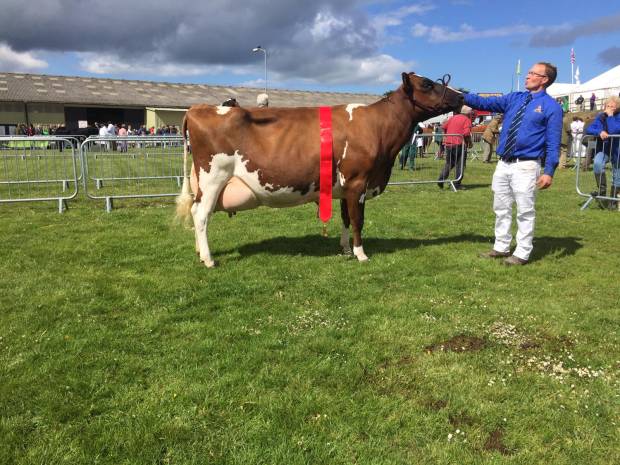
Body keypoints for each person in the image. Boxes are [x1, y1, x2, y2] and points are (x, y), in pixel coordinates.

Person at [464, 62, 562, 265]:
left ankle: (522, 253)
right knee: (501, 207)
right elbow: (485, 104)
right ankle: (501, 247)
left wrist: (549, 171)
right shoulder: (514, 98)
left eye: (532, 73)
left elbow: (553, 142)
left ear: (544, 79)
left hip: (526, 165)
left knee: (525, 210)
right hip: (503, 163)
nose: (527, 76)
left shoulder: (551, 107)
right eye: (528, 72)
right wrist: (458, 95)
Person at [585, 96, 620, 209]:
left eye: (612, 107)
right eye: (608, 106)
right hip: (604, 149)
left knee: (617, 175)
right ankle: (602, 193)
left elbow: (614, 130)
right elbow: (589, 129)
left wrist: (610, 116)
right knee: (597, 164)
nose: (609, 108)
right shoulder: (600, 117)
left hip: (617, 150)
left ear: (617, 108)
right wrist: (599, 131)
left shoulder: (618, 117)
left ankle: (613, 202)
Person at [437, 105, 473, 189]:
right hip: (459, 144)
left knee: (449, 163)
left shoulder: (453, 117)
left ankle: (441, 179)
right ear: (468, 113)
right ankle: (457, 184)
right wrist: (469, 142)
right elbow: (466, 133)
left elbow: (443, 127)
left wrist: (446, 136)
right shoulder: (467, 120)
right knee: (459, 164)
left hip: (449, 143)